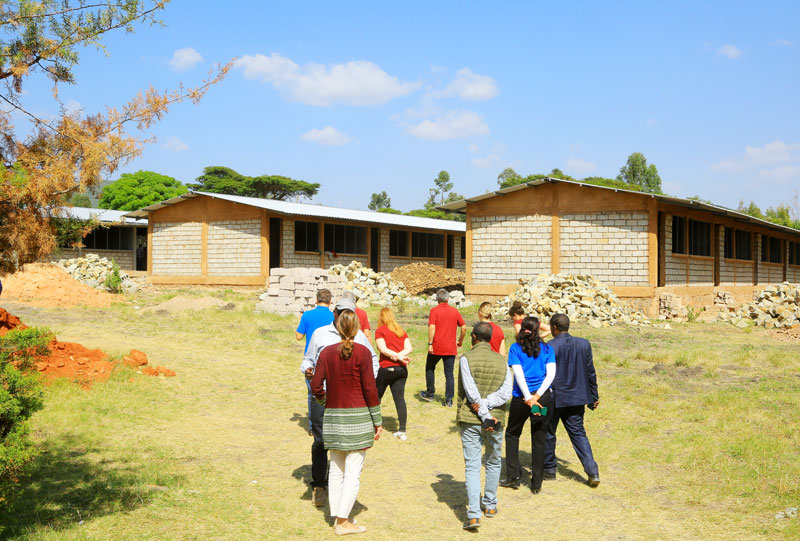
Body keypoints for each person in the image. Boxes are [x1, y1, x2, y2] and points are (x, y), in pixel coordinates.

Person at [301, 298, 379, 508]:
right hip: (325, 398)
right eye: (343, 312)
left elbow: (373, 363)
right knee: (320, 443)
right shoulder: (320, 334)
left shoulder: (360, 339)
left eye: (349, 313)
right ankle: (319, 486)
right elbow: (308, 359)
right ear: (334, 314)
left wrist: (361, 387)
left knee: (342, 458)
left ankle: (338, 509)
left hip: (347, 401)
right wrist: (309, 371)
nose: (346, 316)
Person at [456, 321, 513, 530]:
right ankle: (490, 505)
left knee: (472, 465)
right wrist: (489, 413)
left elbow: (471, 392)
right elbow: (506, 393)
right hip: (496, 420)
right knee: (493, 461)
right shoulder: (503, 362)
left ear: (473, 337)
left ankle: (473, 514)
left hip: (472, 418)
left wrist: (482, 410)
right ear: (491, 339)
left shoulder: (466, 359)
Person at [543, 313, 600, 487]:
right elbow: (590, 371)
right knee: (578, 434)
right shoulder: (584, 344)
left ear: (553, 327)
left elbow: (544, 375)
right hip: (577, 398)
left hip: (554, 398)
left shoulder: (549, 346)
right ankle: (593, 472)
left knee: (548, 432)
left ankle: (549, 470)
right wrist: (594, 396)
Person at [500, 317, 556, 494]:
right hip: (543, 398)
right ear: (538, 330)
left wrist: (528, 397)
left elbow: (518, 374)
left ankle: (513, 477)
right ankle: (537, 482)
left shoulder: (515, 349)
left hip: (520, 399)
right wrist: (537, 396)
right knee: (539, 437)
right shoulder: (547, 349)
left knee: (512, 433)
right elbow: (550, 375)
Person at [419, 289, 466, 407]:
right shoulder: (454, 311)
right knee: (449, 374)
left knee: (430, 369)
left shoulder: (434, 310)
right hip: (450, 347)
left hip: (436, 347)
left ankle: (430, 393)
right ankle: (449, 400)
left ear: (437, 299)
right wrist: (460, 341)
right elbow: (464, 327)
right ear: (448, 299)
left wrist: (430, 343)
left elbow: (432, 327)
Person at [296, 289, 334, 433]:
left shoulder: (307, 315)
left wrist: (301, 319)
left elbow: (299, 336)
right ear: (330, 302)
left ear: (316, 300)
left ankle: (313, 427)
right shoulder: (334, 316)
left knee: (312, 394)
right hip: (330, 359)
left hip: (312, 361)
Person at [374, 307, 412, 441]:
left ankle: (373, 426)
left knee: (376, 398)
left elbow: (382, 349)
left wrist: (396, 356)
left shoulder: (380, 331)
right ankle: (402, 430)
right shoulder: (400, 330)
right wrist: (400, 356)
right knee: (400, 399)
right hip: (401, 370)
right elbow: (409, 348)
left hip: (386, 368)